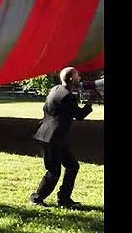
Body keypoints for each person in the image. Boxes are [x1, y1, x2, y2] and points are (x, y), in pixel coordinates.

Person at [29, 67, 94, 208]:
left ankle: (64, 199)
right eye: (77, 76)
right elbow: (79, 115)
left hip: (53, 136)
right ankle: (36, 199)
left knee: (72, 166)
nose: (80, 79)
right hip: (52, 138)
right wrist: (90, 104)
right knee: (54, 172)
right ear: (71, 79)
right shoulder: (66, 96)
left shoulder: (56, 89)